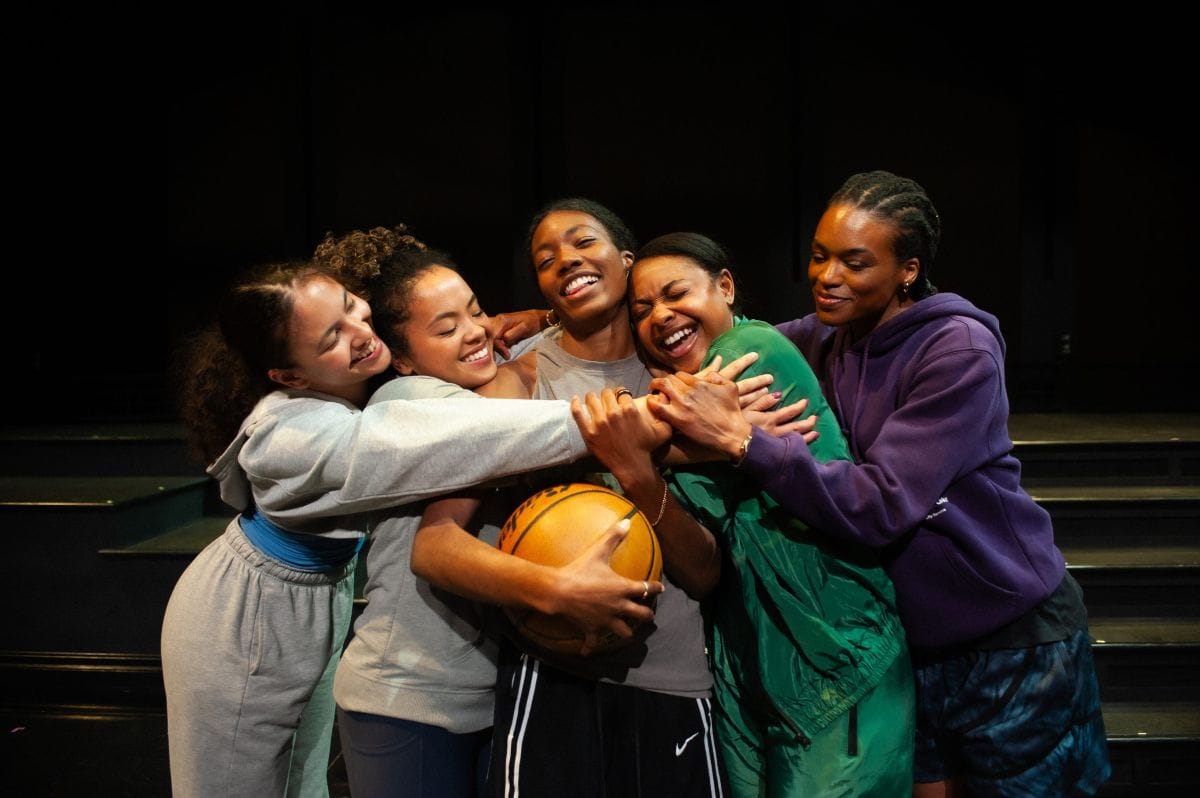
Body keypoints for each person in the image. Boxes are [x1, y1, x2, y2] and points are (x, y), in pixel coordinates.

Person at [644, 171, 1112, 796]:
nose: (827, 276)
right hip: (910, 645)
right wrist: (548, 325)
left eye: (854, 262)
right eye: (818, 256)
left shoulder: (958, 347)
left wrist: (742, 441)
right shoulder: (824, 336)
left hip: (1009, 640)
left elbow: (883, 504)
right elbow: (717, 338)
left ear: (908, 270)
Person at [161, 259, 655, 798]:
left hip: (315, 592)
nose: (361, 333)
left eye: (351, 307)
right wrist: (639, 420)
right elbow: (450, 440)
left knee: (304, 785)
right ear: (289, 376)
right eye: (331, 336)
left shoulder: (353, 381)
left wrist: (540, 318)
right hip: (246, 614)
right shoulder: (291, 437)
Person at [316, 232, 663, 798]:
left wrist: (543, 314)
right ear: (401, 359)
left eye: (476, 311)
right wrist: (557, 590)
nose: (476, 331)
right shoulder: (415, 406)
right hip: (408, 693)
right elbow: (440, 540)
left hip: (487, 687)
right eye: (447, 328)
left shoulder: (488, 375)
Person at [572, 231, 914, 797]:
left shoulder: (750, 352)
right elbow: (699, 556)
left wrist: (629, 454)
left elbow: (632, 438)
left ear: (724, 287)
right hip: (749, 651)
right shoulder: (681, 386)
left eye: (676, 293)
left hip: (832, 644)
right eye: (642, 310)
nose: (661, 315)